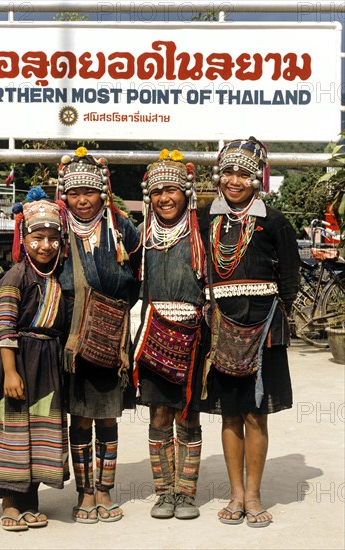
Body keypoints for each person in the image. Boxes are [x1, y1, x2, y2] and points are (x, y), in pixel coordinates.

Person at [198, 137, 300, 528]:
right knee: (230, 415)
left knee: (257, 414)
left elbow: (290, 279)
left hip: (264, 328)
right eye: (229, 173)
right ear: (219, 176)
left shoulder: (274, 222)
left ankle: (254, 494)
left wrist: (275, 317)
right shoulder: (206, 219)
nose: (235, 181)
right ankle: (235, 494)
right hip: (221, 325)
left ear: (257, 179)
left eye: (244, 173)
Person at [0, 187, 70, 532]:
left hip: (47, 364)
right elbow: (5, 327)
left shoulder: (58, 276)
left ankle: (31, 501)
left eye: (52, 238)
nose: (45, 245)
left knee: (41, 431)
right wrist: (11, 372)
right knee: (13, 431)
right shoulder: (16, 276)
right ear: (23, 237)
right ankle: (10, 503)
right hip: (18, 362)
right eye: (37, 237)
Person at [57, 147, 141, 523]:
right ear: (65, 195)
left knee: (107, 418)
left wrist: (111, 313)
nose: (82, 200)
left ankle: (105, 489)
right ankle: (84, 492)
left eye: (88, 192)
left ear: (102, 193)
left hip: (112, 337)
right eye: (74, 193)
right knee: (80, 419)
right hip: (72, 340)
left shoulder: (122, 228)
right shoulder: (57, 230)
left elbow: (139, 278)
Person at [132, 149, 206, 520]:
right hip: (153, 333)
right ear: (149, 196)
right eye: (158, 190)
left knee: (188, 416)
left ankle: (186, 492)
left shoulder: (200, 233)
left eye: (172, 190)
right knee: (159, 414)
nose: (164, 197)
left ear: (186, 193)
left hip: (193, 336)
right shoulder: (141, 238)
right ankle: (164, 492)